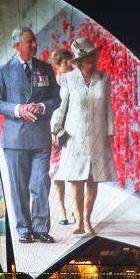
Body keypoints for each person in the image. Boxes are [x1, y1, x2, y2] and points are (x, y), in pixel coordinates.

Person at [0, 27, 60, 243]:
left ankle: (40, 227)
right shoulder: (3, 71)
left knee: (40, 183)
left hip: (40, 137)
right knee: (19, 186)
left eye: (35, 41)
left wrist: (41, 105)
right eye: (29, 42)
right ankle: (23, 228)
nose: (35, 45)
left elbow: (56, 99)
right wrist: (18, 109)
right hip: (15, 139)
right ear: (17, 45)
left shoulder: (45, 68)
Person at [50, 37, 118, 235]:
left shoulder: (104, 78)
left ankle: (87, 220)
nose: (92, 59)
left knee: (93, 179)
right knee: (75, 179)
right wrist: (55, 129)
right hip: (74, 136)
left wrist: (110, 133)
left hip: (97, 135)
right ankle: (78, 220)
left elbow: (108, 108)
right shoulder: (69, 79)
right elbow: (61, 107)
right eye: (87, 56)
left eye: (92, 55)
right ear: (79, 60)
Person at [48, 47, 75, 225]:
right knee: (57, 174)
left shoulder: (74, 81)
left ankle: (75, 210)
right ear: (58, 65)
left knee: (74, 172)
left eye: (70, 61)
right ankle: (63, 212)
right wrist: (52, 131)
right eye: (66, 62)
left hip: (72, 131)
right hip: (54, 132)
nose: (70, 65)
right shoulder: (53, 84)